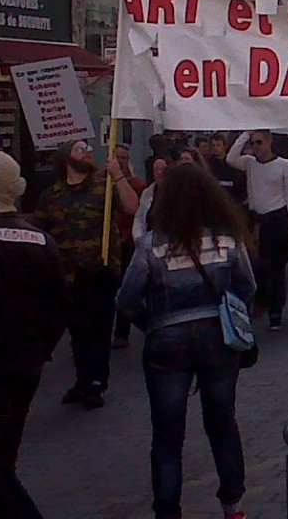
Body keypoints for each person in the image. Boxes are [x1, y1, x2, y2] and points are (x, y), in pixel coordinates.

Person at [116, 165, 255, 519]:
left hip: (167, 340)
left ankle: (167, 510)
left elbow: (127, 299)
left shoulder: (151, 244)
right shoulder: (227, 237)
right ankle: (233, 504)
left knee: (167, 434)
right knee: (223, 422)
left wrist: (154, 325)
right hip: (219, 337)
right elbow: (248, 287)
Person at [0, 152, 68, 519]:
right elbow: (58, 310)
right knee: (2, 456)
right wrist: (39, 352)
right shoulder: (41, 242)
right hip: (24, 368)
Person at [35, 139, 139, 409]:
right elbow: (42, 232)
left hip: (100, 269)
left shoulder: (103, 188)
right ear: (66, 159)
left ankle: (96, 383)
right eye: (81, 149)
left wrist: (117, 176)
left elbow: (132, 207)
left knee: (99, 328)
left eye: (88, 148)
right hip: (68, 274)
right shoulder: (51, 196)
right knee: (78, 331)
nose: (88, 152)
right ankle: (82, 381)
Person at [227, 130, 288, 330]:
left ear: (269, 142)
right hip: (256, 220)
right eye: (253, 143)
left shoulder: (284, 165)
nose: (256, 147)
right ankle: (259, 302)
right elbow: (231, 158)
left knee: (276, 268)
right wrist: (245, 134)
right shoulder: (250, 163)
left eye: (259, 142)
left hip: (276, 219)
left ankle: (276, 311)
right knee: (256, 265)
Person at [112, 142, 146, 350]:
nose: (121, 161)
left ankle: (122, 332)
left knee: (126, 286)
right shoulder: (101, 183)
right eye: (118, 157)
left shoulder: (137, 185)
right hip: (108, 243)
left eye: (124, 158)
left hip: (127, 242)